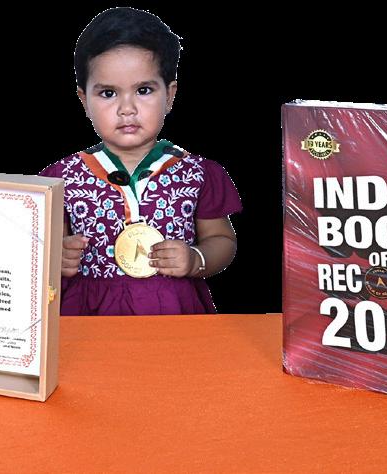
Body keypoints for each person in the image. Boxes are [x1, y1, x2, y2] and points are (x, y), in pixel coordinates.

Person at [39, 7, 241, 315]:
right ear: (84, 101)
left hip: (175, 313)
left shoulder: (199, 173)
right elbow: (35, 249)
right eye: (108, 93)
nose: (127, 108)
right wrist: (55, 258)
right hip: (88, 317)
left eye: (143, 90)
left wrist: (195, 259)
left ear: (170, 95)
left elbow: (222, 239)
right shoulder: (59, 178)